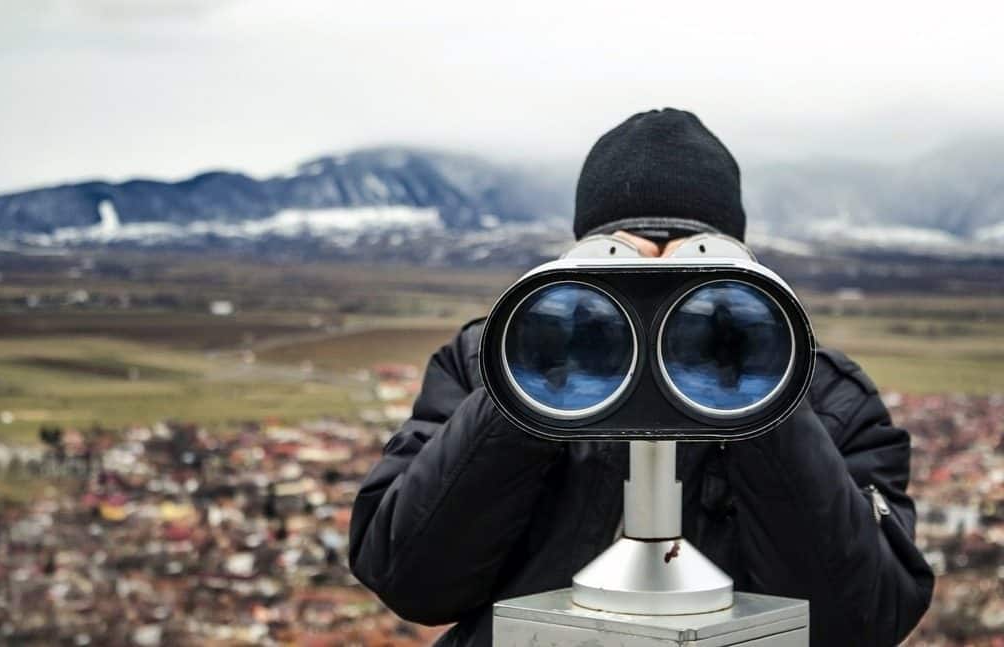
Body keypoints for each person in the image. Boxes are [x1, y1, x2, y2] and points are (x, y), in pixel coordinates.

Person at [349, 108, 934, 646]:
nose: (654, 303)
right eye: (622, 266)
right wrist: (536, 375)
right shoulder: (491, 361)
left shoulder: (824, 395)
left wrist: (757, 384)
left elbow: (861, 622)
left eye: (690, 269)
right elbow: (412, 581)